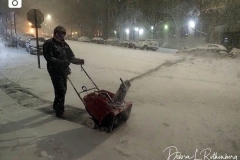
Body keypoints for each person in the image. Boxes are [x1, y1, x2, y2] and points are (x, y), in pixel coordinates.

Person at [43, 26, 84, 118]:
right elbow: (49, 58)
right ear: (55, 33)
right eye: (59, 34)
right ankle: (59, 111)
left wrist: (78, 61)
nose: (61, 36)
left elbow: (70, 57)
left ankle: (56, 105)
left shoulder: (64, 44)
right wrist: (62, 63)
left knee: (62, 89)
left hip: (63, 70)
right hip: (54, 70)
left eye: (63, 34)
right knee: (60, 90)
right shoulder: (49, 43)